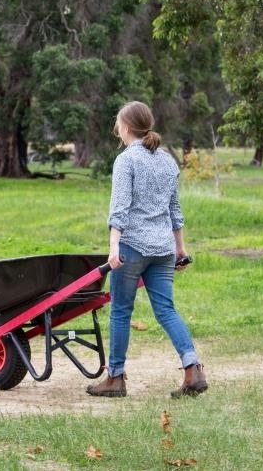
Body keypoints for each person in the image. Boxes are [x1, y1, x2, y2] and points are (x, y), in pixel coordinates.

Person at [86, 100, 207, 399]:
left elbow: (120, 209)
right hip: (164, 248)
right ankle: (193, 369)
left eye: (118, 123)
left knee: (121, 312)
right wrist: (180, 248)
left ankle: (115, 378)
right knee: (166, 310)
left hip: (133, 248)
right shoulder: (167, 160)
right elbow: (174, 209)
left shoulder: (126, 160)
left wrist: (114, 245)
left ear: (125, 127)